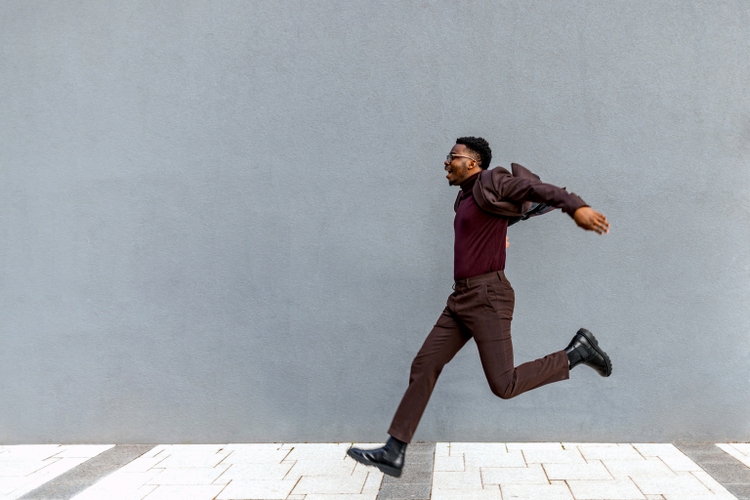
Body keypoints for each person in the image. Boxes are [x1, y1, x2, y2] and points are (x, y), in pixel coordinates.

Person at [347, 137, 612, 478]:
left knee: (504, 385)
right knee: (424, 364)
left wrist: (576, 207)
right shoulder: (465, 197)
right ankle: (394, 450)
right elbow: (495, 217)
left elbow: (539, 190)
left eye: (452, 157)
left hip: (488, 297)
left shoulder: (491, 179)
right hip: (461, 298)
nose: (446, 162)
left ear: (472, 163)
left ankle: (576, 353)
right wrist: (501, 230)